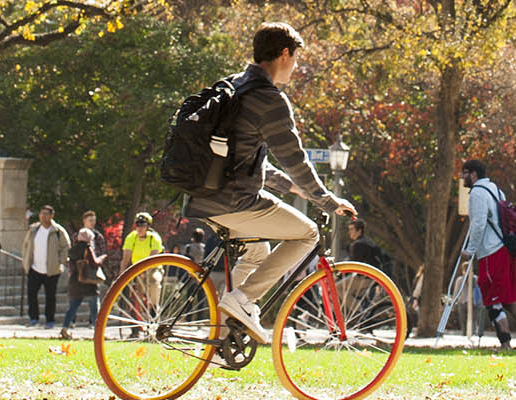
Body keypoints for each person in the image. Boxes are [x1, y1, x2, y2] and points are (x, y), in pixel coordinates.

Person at [183, 22, 358, 344]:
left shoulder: (234, 86)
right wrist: (327, 201)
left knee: (256, 252)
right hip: (235, 202)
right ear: (283, 54)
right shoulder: (269, 99)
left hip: (200, 196)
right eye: (295, 58)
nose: (295, 66)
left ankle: (225, 337)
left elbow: (243, 159)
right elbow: (295, 159)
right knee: (308, 234)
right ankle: (242, 299)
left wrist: (290, 186)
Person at [459, 159, 516, 350]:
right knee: (510, 299)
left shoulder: (477, 194)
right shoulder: (496, 190)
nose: (462, 177)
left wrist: (470, 250)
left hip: (491, 252)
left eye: (465, 173)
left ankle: (505, 343)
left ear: (474, 174)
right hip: (506, 250)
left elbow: (479, 224)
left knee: (493, 300)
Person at [21, 205, 70, 329]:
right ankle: (33, 318)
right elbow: (26, 245)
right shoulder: (33, 229)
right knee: (31, 294)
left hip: (52, 270)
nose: (43, 216)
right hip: (34, 268)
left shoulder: (58, 231)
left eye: (46, 214)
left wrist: (60, 260)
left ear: (52, 215)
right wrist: (26, 261)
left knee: (50, 296)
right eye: (41, 213)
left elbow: (66, 247)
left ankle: (50, 321)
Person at [63, 228, 107, 333]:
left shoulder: (72, 250)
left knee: (73, 307)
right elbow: (94, 263)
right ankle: (98, 330)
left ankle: (65, 327)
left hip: (75, 281)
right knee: (94, 306)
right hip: (88, 281)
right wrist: (102, 258)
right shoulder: (88, 248)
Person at [121, 212, 165, 304]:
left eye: (143, 225)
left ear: (148, 227)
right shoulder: (131, 237)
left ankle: (154, 308)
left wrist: (146, 272)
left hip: (153, 268)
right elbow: (125, 258)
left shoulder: (154, 238)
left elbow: (152, 259)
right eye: (137, 225)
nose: (140, 228)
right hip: (138, 269)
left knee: (154, 282)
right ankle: (137, 311)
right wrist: (121, 275)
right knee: (137, 293)